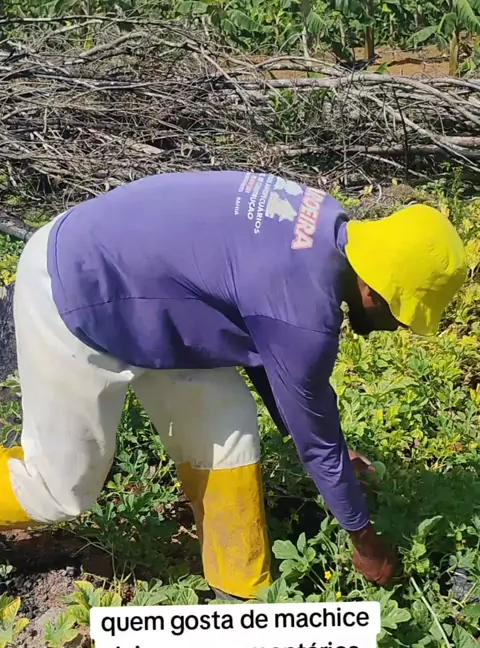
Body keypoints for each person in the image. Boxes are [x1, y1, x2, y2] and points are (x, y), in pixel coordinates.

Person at [0, 171, 467, 601]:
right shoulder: (301, 310)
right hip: (75, 287)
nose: (397, 329)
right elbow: (313, 429)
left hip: (139, 282)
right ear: (373, 291)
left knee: (229, 433)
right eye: (401, 316)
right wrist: (364, 539)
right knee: (60, 488)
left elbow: (269, 346)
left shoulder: (325, 218)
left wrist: (335, 453)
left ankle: (242, 600)